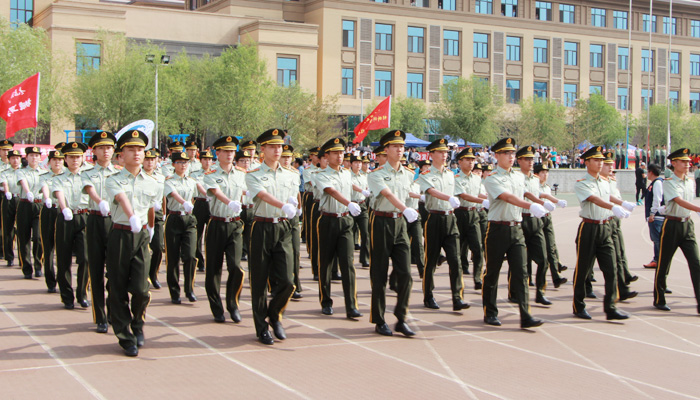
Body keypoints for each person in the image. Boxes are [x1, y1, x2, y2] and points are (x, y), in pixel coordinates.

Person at [482, 138, 546, 329]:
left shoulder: (519, 177)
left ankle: (526, 315)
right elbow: (507, 197)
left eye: (512, 153)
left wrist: (543, 202)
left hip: (516, 228)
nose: (511, 157)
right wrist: (530, 206)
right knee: (492, 272)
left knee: (521, 272)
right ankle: (490, 312)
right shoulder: (492, 178)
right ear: (497, 156)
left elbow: (525, 192)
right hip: (497, 229)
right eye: (506, 153)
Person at [105, 130, 158, 357]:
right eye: (131, 149)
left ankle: (137, 325)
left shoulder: (154, 181)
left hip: (142, 236)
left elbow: (152, 207)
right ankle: (125, 336)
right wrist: (132, 216)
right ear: (120, 155)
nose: (137, 153)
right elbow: (121, 198)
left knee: (141, 289)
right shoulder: (113, 180)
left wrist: (151, 228)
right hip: (121, 233)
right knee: (117, 287)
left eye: (140, 149)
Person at [245, 128, 299, 345]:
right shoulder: (253, 175)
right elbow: (262, 195)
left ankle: (274, 313)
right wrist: (284, 205)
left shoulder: (292, 174)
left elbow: (293, 196)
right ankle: (261, 327)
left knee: (288, 281)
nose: (278, 150)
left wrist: (293, 204)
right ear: (263, 149)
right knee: (259, 281)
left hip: (284, 228)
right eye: (272, 146)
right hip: (262, 227)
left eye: (280, 146)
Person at [367, 129, 417, 337]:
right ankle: (379, 320)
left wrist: (415, 203)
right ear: (386, 149)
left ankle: (401, 317)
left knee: (405, 274)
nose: (399, 149)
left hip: (400, 225)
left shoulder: (409, 174)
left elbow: (408, 195)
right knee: (379, 274)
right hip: (381, 222)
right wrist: (405, 209)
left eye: (402, 146)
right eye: (395, 146)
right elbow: (387, 194)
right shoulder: (376, 175)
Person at [572, 146, 630, 321]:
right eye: (596, 160)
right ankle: (578, 305)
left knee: (611, 269)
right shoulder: (582, 183)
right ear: (587, 162)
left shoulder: (605, 182)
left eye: (601, 160)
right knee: (583, 269)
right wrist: (613, 207)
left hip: (605, 228)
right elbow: (594, 199)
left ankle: (610, 307)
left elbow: (609, 196)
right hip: (589, 228)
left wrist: (623, 203)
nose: (600, 163)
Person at [418, 138, 469, 311]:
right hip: (434, 219)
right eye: (440, 152)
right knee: (431, 260)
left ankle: (457, 297)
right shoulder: (426, 175)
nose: (444, 155)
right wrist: (448, 198)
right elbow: (431, 191)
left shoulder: (450, 174)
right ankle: (428, 296)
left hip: (450, 218)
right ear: (431, 154)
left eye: (446, 152)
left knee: (456, 260)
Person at [315, 138, 362, 318]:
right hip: (328, 220)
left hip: (345, 220)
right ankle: (326, 300)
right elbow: (331, 191)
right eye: (335, 153)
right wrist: (349, 202)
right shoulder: (321, 175)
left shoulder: (346, 173)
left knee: (348, 263)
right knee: (326, 263)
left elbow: (350, 186)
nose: (340, 156)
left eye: (341, 152)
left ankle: (351, 305)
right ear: (326, 156)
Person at [203, 136, 247, 322]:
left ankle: (233, 304)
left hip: (235, 224)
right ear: (217, 153)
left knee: (236, 266)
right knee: (213, 269)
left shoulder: (242, 174)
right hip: (217, 223)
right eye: (225, 151)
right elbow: (216, 192)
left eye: (232, 151)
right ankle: (216, 308)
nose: (229, 154)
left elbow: (248, 191)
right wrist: (230, 202)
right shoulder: (210, 175)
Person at [653, 148, 700, 314]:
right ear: (674, 163)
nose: (688, 164)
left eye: (688, 162)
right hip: (672, 225)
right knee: (664, 263)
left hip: (687, 225)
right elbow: (679, 201)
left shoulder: (690, 181)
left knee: (696, 264)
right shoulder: (669, 182)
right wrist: (698, 208)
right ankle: (659, 298)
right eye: (684, 162)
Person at [82, 132, 119, 333]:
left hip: (115, 221)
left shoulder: (119, 172)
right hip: (96, 220)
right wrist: (99, 202)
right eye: (102, 148)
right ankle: (100, 316)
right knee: (95, 268)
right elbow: (89, 190)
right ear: (94, 150)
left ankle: (114, 311)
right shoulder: (87, 173)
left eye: (109, 148)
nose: (106, 151)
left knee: (115, 269)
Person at [516, 146, 558, 305]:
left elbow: (538, 193)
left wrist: (550, 201)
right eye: (527, 159)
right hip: (520, 218)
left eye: (532, 159)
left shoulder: (535, 179)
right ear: (519, 160)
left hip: (535, 219)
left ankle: (540, 291)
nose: (530, 162)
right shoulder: (516, 178)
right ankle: (515, 291)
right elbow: (525, 194)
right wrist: (541, 202)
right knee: (519, 260)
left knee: (543, 259)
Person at [52, 142, 91, 309]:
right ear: (65, 159)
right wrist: (64, 208)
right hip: (66, 218)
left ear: (82, 158)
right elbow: (59, 193)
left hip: (84, 217)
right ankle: (67, 295)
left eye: (78, 157)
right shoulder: (59, 178)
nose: (75, 160)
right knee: (63, 258)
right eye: (71, 157)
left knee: (85, 258)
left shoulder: (88, 176)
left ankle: (82, 293)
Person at [164, 151, 199, 304]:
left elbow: (193, 197)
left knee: (190, 256)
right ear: (173, 164)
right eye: (179, 162)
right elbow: (173, 194)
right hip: (174, 217)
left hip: (189, 218)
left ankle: (189, 289)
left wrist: (188, 205)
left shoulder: (191, 181)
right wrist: (183, 202)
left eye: (185, 162)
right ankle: (174, 291)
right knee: (172, 258)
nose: (183, 165)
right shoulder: (169, 180)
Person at [454, 147, 487, 290]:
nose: (471, 162)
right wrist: (483, 201)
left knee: (478, 248)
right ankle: (458, 278)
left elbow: (481, 194)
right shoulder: (455, 178)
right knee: (458, 249)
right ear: (460, 162)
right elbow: (463, 195)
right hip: (460, 214)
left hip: (474, 214)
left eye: (473, 160)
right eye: (467, 160)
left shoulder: (477, 179)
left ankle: (477, 278)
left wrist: (493, 198)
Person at [16, 146, 48, 280]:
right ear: (26, 157)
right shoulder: (21, 171)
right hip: (24, 204)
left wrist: (47, 198)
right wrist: (28, 191)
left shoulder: (44, 172)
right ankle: (26, 267)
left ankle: (37, 264)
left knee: (38, 237)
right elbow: (23, 183)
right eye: (31, 155)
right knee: (24, 238)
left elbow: (45, 185)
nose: (34, 158)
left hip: (39, 204)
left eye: (36, 155)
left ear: (40, 157)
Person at [534, 164, 569, 284]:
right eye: (542, 172)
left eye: (546, 172)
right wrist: (555, 200)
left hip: (547, 218)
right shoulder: (534, 186)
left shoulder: (547, 187)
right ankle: (529, 276)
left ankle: (556, 276)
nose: (545, 175)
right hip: (537, 218)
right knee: (535, 250)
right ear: (536, 174)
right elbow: (541, 196)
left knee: (551, 247)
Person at [40, 150, 65, 294]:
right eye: (54, 160)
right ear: (49, 162)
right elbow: (44, 187)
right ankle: (50, 281)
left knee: (62, 247)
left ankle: (62, 280)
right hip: (49, 210)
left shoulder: (67, 176)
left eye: (60, 160)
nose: (57, 162)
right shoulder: (44, 176)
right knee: (48, 246)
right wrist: (47, 197)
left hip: (63, 212)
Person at [280, 144, 303, 299]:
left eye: (289, 157)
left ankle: (295, 284)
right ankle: (277, 283)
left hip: (292, 216)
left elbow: (297, 191)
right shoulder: (274, 173)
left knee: (295, 250)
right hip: (279, 215)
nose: (287, 160)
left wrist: (300, 207)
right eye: (284, 157)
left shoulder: (294, 173)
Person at [143, 150, 165, 289]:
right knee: (142, 247)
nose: (150, 162)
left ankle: (153, 274)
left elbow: (163, 196)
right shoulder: (138, 176)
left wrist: (164, 212)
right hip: (142, 214)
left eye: (153, 159)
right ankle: (142, 275)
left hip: (156, 214)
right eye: (147, 159)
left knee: (158, 247)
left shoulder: (161, 177)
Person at [190, 150, 214, 272]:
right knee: (198, 233)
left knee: (210, 234)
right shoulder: (195, 174)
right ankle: (199, 261)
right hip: (200, 203)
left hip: (212, 204)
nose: (207, 161)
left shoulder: (215, 173)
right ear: (201, 161)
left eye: (209, 159)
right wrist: (208, 194)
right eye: (205, 159)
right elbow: (199, 186)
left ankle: (210, 260)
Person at [1, 149, 23, 267]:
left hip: (21, 199)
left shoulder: (24, 172)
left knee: (21, 229)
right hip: (9, 199)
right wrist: (7, 192)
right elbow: (4, 183)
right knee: (8, 228)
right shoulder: (5, 172)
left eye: (17, 158)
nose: (15, 160)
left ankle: (21, 257)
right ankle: (9, 256)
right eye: (13, 158)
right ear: (9, 160)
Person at [350, 155, 370, 268]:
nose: (358, 164)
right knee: (350, 233)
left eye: (360, 162)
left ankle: (365, 258)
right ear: (351, 164)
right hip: (351, 205)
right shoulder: (347, 175)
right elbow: (351, 185)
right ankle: (349, 258)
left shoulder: (363, 176)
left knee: (365, 232)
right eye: (356, 162)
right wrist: (361, 190)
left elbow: (367, 188)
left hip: (362, 205)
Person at [644, 163, 664, 269]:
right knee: (656, 239)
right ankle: (658, 259)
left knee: (657, 240)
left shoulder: (657, 183)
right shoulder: (654, 183)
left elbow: (657, 199)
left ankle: (658, 260)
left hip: (656, 217)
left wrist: (652, 213)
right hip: (655, 216)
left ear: (651, 172)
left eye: (648, 171)